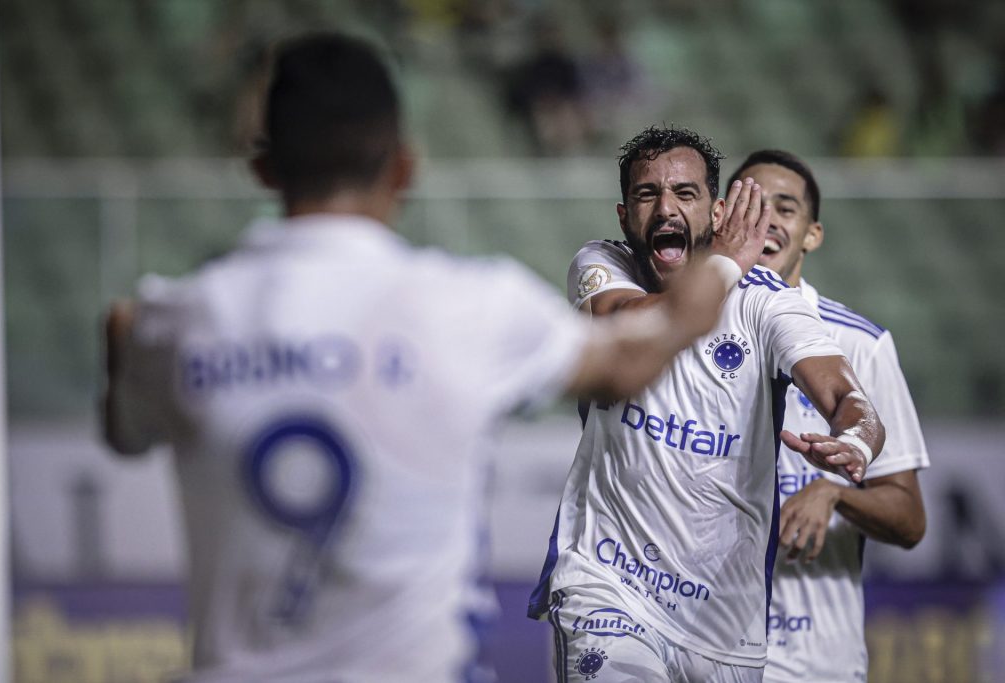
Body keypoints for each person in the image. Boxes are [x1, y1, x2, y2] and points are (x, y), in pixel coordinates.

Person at [100, 34, 744, 683]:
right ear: (404, 168)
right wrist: (727, 259)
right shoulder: (471, 304)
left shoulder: (179, 320)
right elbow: (638, 356)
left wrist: (126, 342)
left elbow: (122, 420)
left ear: (263, 168)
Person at [528, 125, 885, 683]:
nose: (665, 208)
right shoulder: (602, 265)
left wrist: (854, 439)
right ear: (625, 216)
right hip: (609, 587)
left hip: (724, 621)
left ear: (717, 212)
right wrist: (724, 263)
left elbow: (847, 396)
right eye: (647, 195)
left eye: (685, 194)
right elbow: (624, 321)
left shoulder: (767, 302)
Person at [721, 150, 929, 683]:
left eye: (784, 209)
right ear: (722, 216)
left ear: (812, 235)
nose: (765, 220)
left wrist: (835, 494)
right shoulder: (690, 331)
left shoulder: (860, 344)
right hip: (704, 652)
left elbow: (909, 521)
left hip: (814, 666)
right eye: (751, 203)